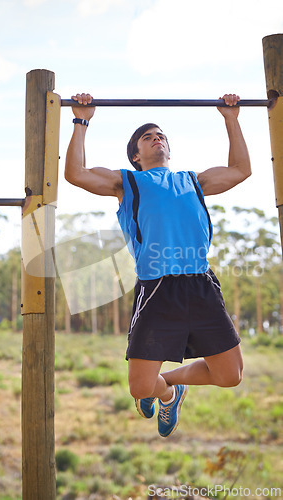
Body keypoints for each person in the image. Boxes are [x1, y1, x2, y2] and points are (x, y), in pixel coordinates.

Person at [65, 93, 251, 438]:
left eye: (160, 134)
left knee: (230, 376)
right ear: (136, 155)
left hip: (200, 284)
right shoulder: (128, 183)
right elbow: (76, 174)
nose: (156, 138)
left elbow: (242, 170)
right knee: (140, 388)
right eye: (147, 137)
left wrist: (231, 119)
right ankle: (165, 393)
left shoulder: (193, 181)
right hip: (158, 288)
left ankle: (171, 385)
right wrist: (81, 121)